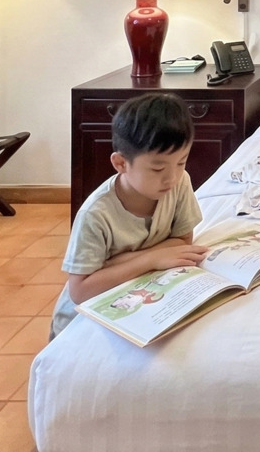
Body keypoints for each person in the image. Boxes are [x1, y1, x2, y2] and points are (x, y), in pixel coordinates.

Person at [49, 93, 208, 339]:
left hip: (133, 296)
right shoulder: (96, 214)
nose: (172, 177)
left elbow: (183, 241)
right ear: (121, 163)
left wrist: (112, 265)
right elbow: (80, 290)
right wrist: (152, 259)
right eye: (157, 168)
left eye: (181, 162)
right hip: (81, 318)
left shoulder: (179, 183)